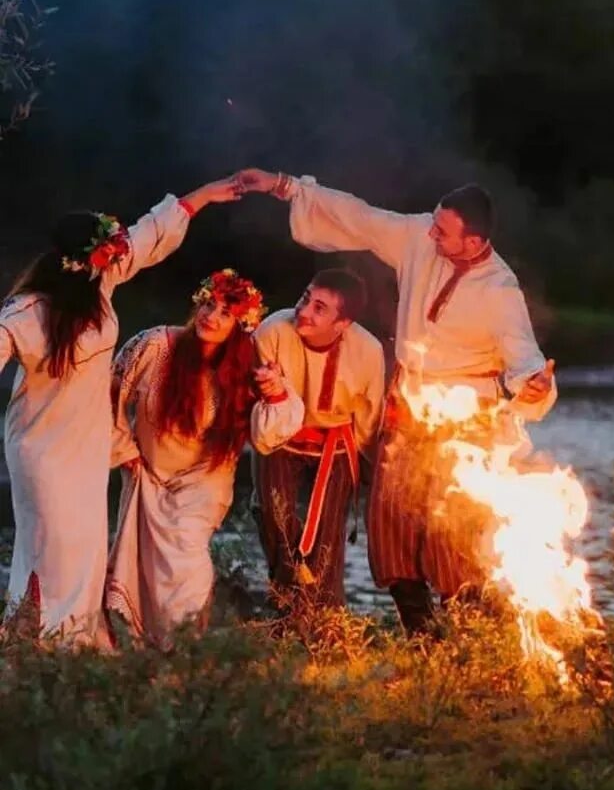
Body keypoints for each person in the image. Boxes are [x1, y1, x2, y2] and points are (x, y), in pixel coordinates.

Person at [237, 169, 556, 635]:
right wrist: (287, 187)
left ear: (473, 242)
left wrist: (533, 386)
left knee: (453, 535)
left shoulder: (500, 290)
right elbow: (361, 217)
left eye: (443, 232)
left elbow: (525, 359)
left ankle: (471, 636)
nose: (431, 233)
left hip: (464, 422)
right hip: (408, 408)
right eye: (433, 223)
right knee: (390, 522)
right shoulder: (418, 239)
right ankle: (420, 633)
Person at [0, 177, 241, 646]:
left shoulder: (100, 283)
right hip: (42, 447)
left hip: (87, 446)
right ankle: (51, 642)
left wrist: (205, 196)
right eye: (108, 249)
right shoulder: (26, 313)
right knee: (56, 547)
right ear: (82, 259)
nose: (118, 253)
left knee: (87, 546)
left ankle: (67, 642)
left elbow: (149, 235)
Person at [106, 269, 304, 645]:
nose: (211, 317)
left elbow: (268, 435)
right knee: (145, 566)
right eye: (208, 305)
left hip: (205, 479)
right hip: (147, 471)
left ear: (241, 324)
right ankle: (151, 649)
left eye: (225, 313)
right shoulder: (155, 345)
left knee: (186, 552)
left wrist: (274, 390)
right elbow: (108, 392)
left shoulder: (249, 368)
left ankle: (184, 643)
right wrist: (123, 447)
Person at [251, 268, 385, 612]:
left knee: (327, 537)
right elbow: (260, 404)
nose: (305, 310)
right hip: (281, 435)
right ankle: (286, 614)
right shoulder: (272, 331)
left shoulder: (368, 350)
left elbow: (370, 417)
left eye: (320, 308)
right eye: (305, 298)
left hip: (336, 443)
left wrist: (377, 473)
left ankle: (327, 626)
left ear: (342, 324)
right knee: (274, 518)